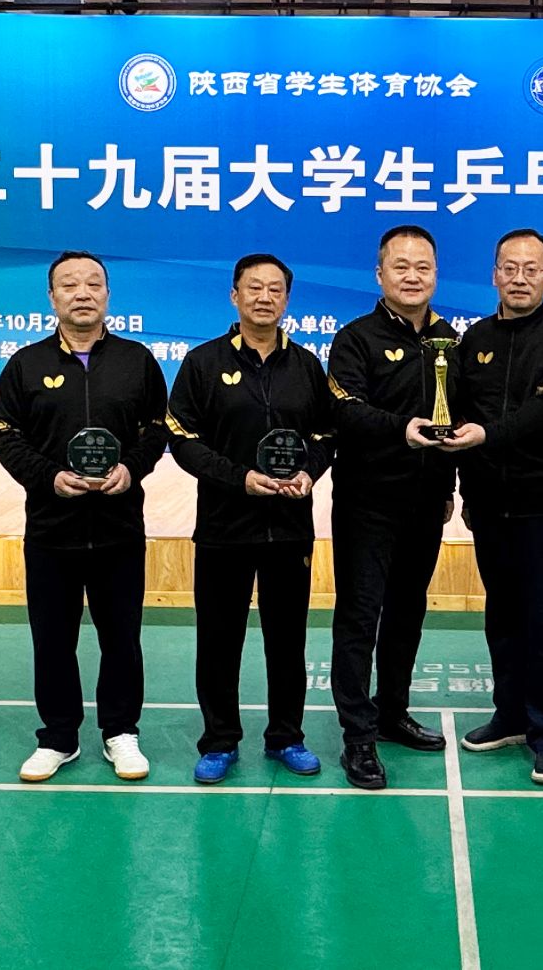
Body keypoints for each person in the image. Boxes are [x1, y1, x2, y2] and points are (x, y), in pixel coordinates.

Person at [0, 250, 168, 783]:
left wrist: (132, 469)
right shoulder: (26, 364)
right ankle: (58, 737)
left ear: (108, 295)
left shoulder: (137, 360)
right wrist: (48, 477)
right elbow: (4, 434)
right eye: (69, 284)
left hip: (118, 528)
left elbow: (157, 429)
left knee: (121, 639)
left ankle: (121, 732)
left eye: (93, 283)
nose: (82, 293)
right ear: (52, 297)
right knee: (52, 641)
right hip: (51, 530)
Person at [166, 253, 335, 784]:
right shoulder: (202, 363)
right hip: (224, 526)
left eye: (275, 289)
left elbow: (326, 434)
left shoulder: (306, 365)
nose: (265, 297)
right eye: (254, 287)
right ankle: (219, 740)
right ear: (234, 296)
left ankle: (286, 736)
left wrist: (309, 472)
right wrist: (238, 478)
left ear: (287, 299)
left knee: (288, 641)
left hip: (289, 527)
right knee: (219, 640)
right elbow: (182, 438)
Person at [443, 228, 543, 786]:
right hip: (489, 505)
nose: (520, 278)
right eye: (510, 267)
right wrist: (464, 487)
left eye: (532, 269)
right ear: (494, 275)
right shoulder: (473, 340)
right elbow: (459, 415)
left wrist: (486, 435)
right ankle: (509, 716)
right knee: (502, 618)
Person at [326, 225, 460, 790]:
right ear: (379, 274)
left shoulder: (449, 340)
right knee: (360, 618)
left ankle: (391, 711)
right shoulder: (355, 339)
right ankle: (357, 736)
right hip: (368, 502)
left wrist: (450, 485)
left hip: (426, 503)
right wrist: (401, 430)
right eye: (400, 266)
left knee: (408, 613)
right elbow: (345, 410)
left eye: (422, 267)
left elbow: (454, 415)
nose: (412, 276)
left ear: (436, 274)